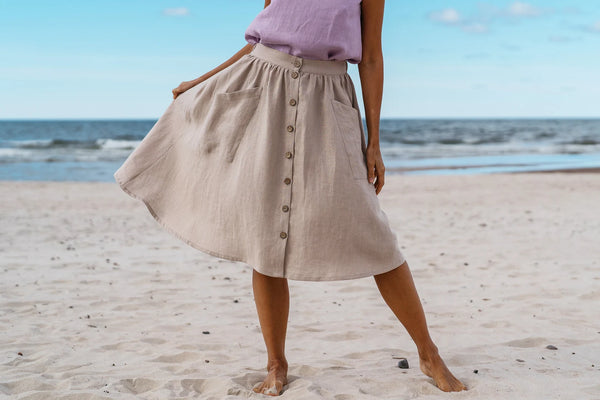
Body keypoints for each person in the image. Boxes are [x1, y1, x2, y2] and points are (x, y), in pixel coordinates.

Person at [115, 0, 467, 396]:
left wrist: (375, 142)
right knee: (264, 233)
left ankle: (428, 353)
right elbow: (260, 40)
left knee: (374, 233)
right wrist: (202, 80)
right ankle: (276, 363)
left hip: (328, 98)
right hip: (262, 93)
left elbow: (370, 58)